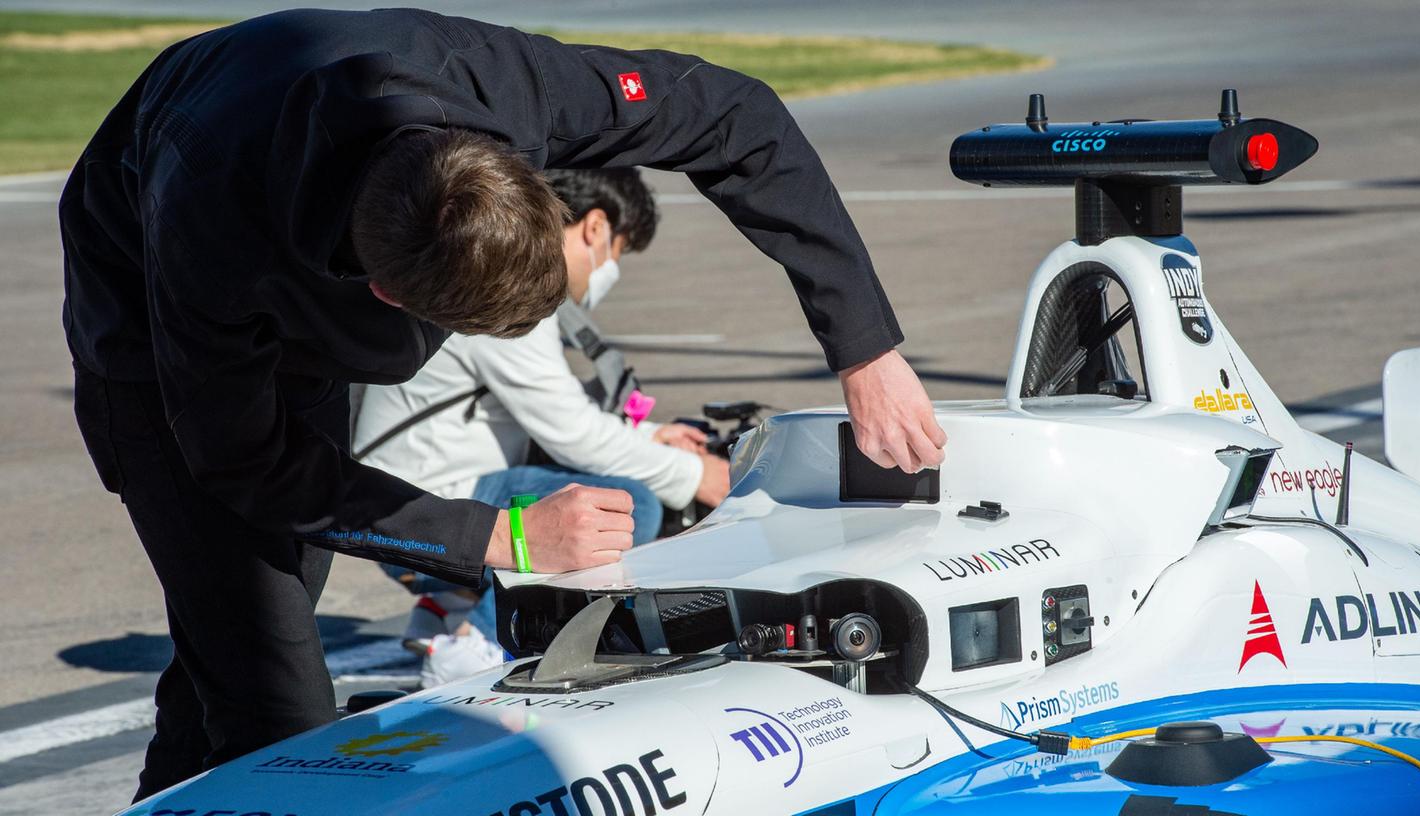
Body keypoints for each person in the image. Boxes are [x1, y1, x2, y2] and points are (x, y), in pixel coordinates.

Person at [61, 8, 946, 801]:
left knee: (235, 647)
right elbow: (244, 463)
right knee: (278, 708)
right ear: (390, 300)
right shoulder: (213, 241)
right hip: (145, 306)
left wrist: (863, 349)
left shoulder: (505, 86)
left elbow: (735, 113)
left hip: (321, 183)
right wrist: (507, 537)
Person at [355, 168, 730, 683]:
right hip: (421, 517)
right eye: (618, 252)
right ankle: (477, 646)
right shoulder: (507, 281)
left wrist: (650, 436)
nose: (610, 269)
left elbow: (553, 409)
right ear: (595, 228)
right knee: (623, 507)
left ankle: (449, 608)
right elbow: (570, 431)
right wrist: (695, 475)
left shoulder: (491, 257)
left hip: (421, 492)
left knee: (586, 485)